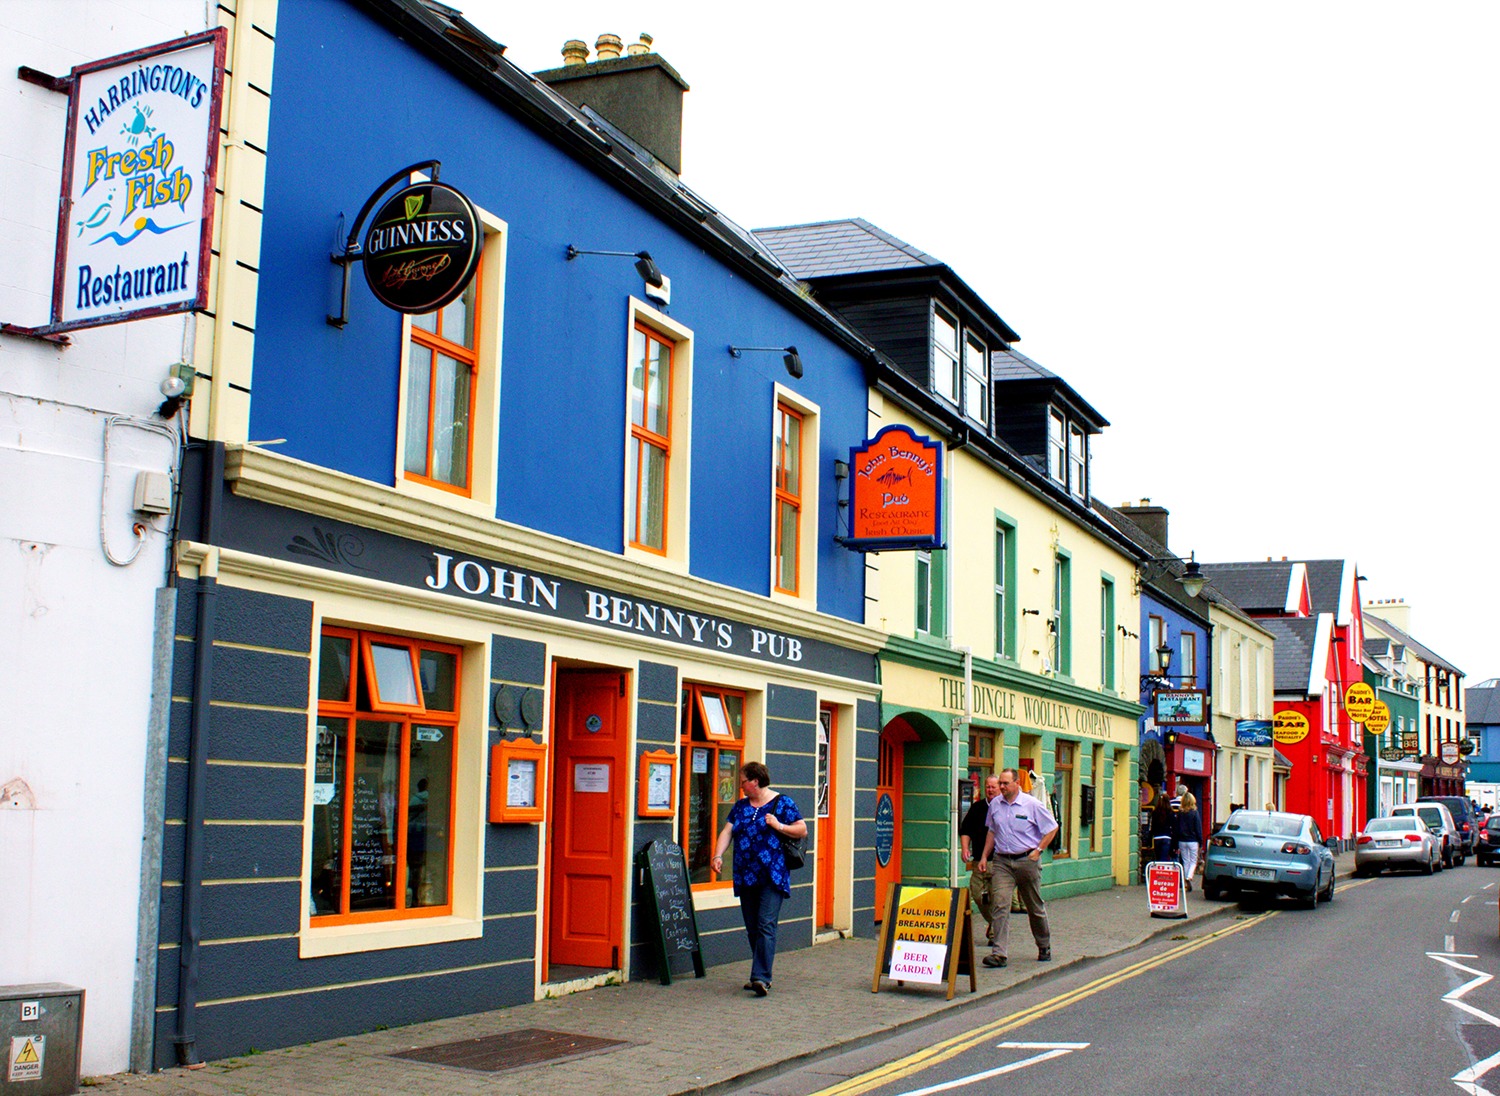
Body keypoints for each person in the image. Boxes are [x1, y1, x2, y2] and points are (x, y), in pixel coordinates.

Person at [711, 761, 807, 998]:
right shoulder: (741, 806)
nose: (741, 785)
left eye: (743, 781)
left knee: (765, 924)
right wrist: (717, 855)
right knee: (753, 927)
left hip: (772, 874)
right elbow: (727, 831)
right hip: (746, 874)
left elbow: (802, 829)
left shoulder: (782, 803)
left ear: (755, 781)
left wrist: (779, 825)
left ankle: (761, 977)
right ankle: (760, 972)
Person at [977, 767, 1059, 968]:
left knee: (1034, 906)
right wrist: (984, 856)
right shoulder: (995, 804)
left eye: (1005, 783)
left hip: (1026, 861)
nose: (1001, 787)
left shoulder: (1032, 804)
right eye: (1000, 784)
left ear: (1016, 784)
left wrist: (1039, 850)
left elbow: (1052, 828)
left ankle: (1043, 945)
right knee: (1000, 904)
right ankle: (999, 954)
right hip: (1003, 861)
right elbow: (992, 832)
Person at [959, 775, 1002, 945]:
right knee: (978, 894)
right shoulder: (977, 808)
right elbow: (966, 830)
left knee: (997, 898)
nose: (990, 790)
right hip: (979, 861)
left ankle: (995, 933)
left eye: (994, 787)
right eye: (988, 787)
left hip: (1000, 862)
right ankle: (995, 922)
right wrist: (964, 848)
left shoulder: (1005, 808)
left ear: (1000, 788)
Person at [1175, 790, 1203, 891]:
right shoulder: (1195, 813)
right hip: (1193, 840)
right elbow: (1198, 828)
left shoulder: (1180, 813)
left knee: (1185, 861)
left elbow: (1177, 827)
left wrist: (1176, 841)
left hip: (1182, 840)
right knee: (1193, 861)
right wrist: (1201, 841)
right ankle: (1189, 877)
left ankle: (1186, 882)